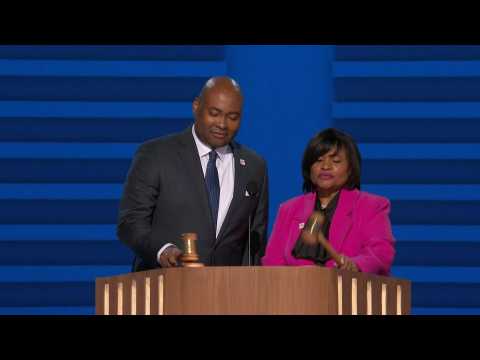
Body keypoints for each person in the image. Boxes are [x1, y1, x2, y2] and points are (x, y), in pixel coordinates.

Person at [117, 77, 268, 272]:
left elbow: (255, 240)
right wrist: (163, 250)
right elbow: (130, 223)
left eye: (233, 117)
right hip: (166, 288)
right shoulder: (156, 154)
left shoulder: (255, 167)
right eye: (214, 113)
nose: (222, 124)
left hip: (227, 295)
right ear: (196, 106)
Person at [262, 128, 394, 275]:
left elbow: (381, 254)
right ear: (309, 168)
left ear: (350, 168)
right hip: (294, 294)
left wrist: (356, 265)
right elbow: (272, 264)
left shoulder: (371, 206)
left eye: (335, 161)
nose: (325, 166)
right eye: (318, 160)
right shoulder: (289, 209)